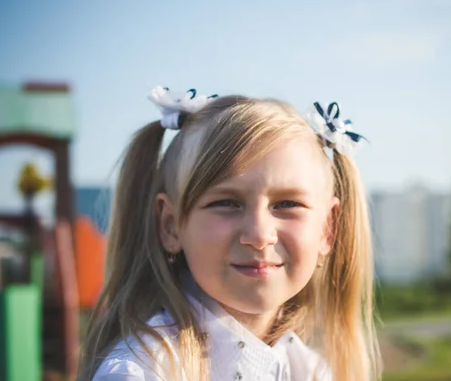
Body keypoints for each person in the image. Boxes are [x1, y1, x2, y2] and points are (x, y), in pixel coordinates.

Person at [78, 86, 380, 381]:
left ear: (328, 229)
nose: (260, 235)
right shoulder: (140, 372)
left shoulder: (312, 371)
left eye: (287, 204)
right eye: (226, 203)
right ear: (170, 225)